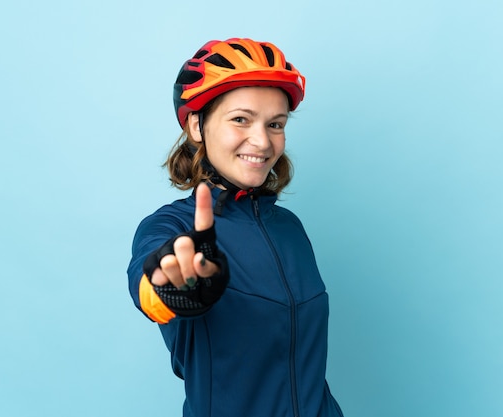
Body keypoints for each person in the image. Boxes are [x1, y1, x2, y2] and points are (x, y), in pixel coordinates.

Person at [127, 37, 344, 417]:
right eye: (240, 119)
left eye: (275, 124)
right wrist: (180, 287)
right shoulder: (172, 225)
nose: (262, 141)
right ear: (197, 124)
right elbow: (151, 287)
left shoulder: (290, 228)